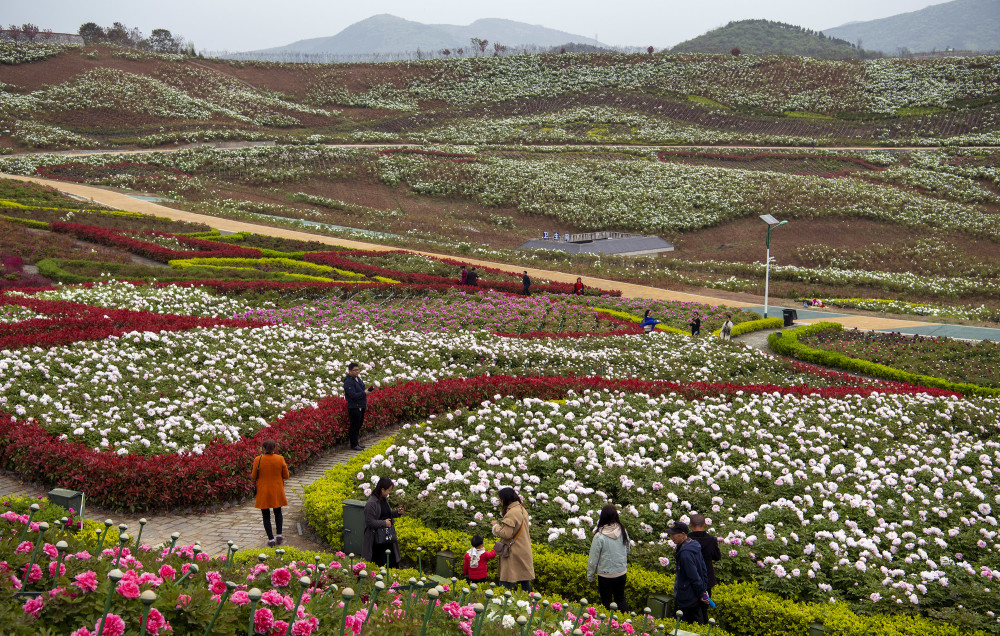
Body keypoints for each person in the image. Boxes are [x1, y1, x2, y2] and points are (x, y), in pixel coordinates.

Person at [587, 504, 630, 611]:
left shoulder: (599, 536)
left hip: (605, 575)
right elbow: (627, 549)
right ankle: (626, 623)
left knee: (607, 603)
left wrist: (590, 577)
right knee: (621, 600)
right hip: (621, 573)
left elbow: (593, 559)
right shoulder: (622, 530)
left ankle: (610, 624)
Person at [491, 487, 534, 592]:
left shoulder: (511, 513)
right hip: (523, 548)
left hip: (513, 550)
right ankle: (530, 602)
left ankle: (501, 602)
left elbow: (506, 534)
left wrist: (495, 527)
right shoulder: (522, 509)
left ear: (504, 499)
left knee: (506, 578)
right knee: (524, 579)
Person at [668, 521, 711, 625]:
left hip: (687, 597)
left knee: (684, 624)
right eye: (670, 534)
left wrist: (701, 593)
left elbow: (694, 576)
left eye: (674, 534)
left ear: (683, 534)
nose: (671, 537)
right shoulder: (692, 544)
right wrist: (703, 589)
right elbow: (703, 569)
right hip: (692, 595)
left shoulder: (685, 553)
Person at [252, 439, 289, 547]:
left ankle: (271, 539)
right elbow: (286, 475)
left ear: (263, 448)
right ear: (275, 448)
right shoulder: (280, 458)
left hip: (263, 491)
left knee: (266, 515)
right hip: (277, 490)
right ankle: (279, 535)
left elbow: (254, 476)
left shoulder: (258, 459)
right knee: (278, 512)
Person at [363, 476, 403, 568]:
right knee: (380, 564)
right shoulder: (371, 503)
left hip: (387, 537)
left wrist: (397, 512)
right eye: (388, 490)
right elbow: (369, 522)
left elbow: (386, 514)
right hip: (376, 541)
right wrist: (384, 523)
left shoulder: (383, 500)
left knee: (391, 562)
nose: (389, 492)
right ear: (382, 489)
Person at [688, 514, 721, 597]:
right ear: (705, 525)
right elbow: (717, 557)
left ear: (690, 525)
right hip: (706, 579)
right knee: (704, 605)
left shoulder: (686, 539)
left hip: (689, 578)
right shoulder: (711, 539)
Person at [343, 362, 374, 451]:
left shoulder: (358, 379)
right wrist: (364, 393)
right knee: (354, 425)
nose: (357, 372)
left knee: (359, 424)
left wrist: (367, 390)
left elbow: (361, 389)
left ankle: (356, 443)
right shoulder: (348, 382)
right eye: (354, 370)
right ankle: (354, 444)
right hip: (354, 406)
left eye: (357, 370)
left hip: (361, 404)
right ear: (349, 371)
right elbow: (352, 395)